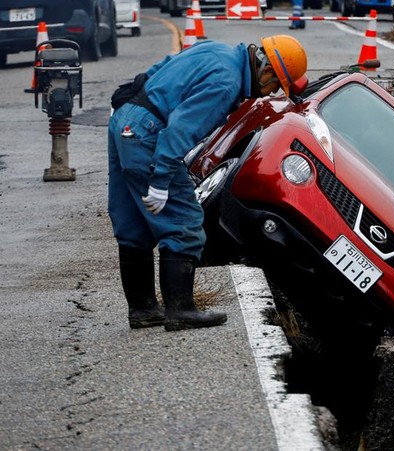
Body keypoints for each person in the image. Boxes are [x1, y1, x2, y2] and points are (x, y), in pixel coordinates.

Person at [107, 35, 308, 331]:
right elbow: (181, 128)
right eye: (275, 84)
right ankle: (181, 311)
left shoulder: (217, 50)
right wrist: (162, 178)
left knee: (132, 221)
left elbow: (165, 66)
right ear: (266, 70)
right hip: (147, 135)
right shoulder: (225, 84)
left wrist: (135, 93)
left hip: (126, 120)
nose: (271, 92)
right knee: (185, 221)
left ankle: (143, 309)